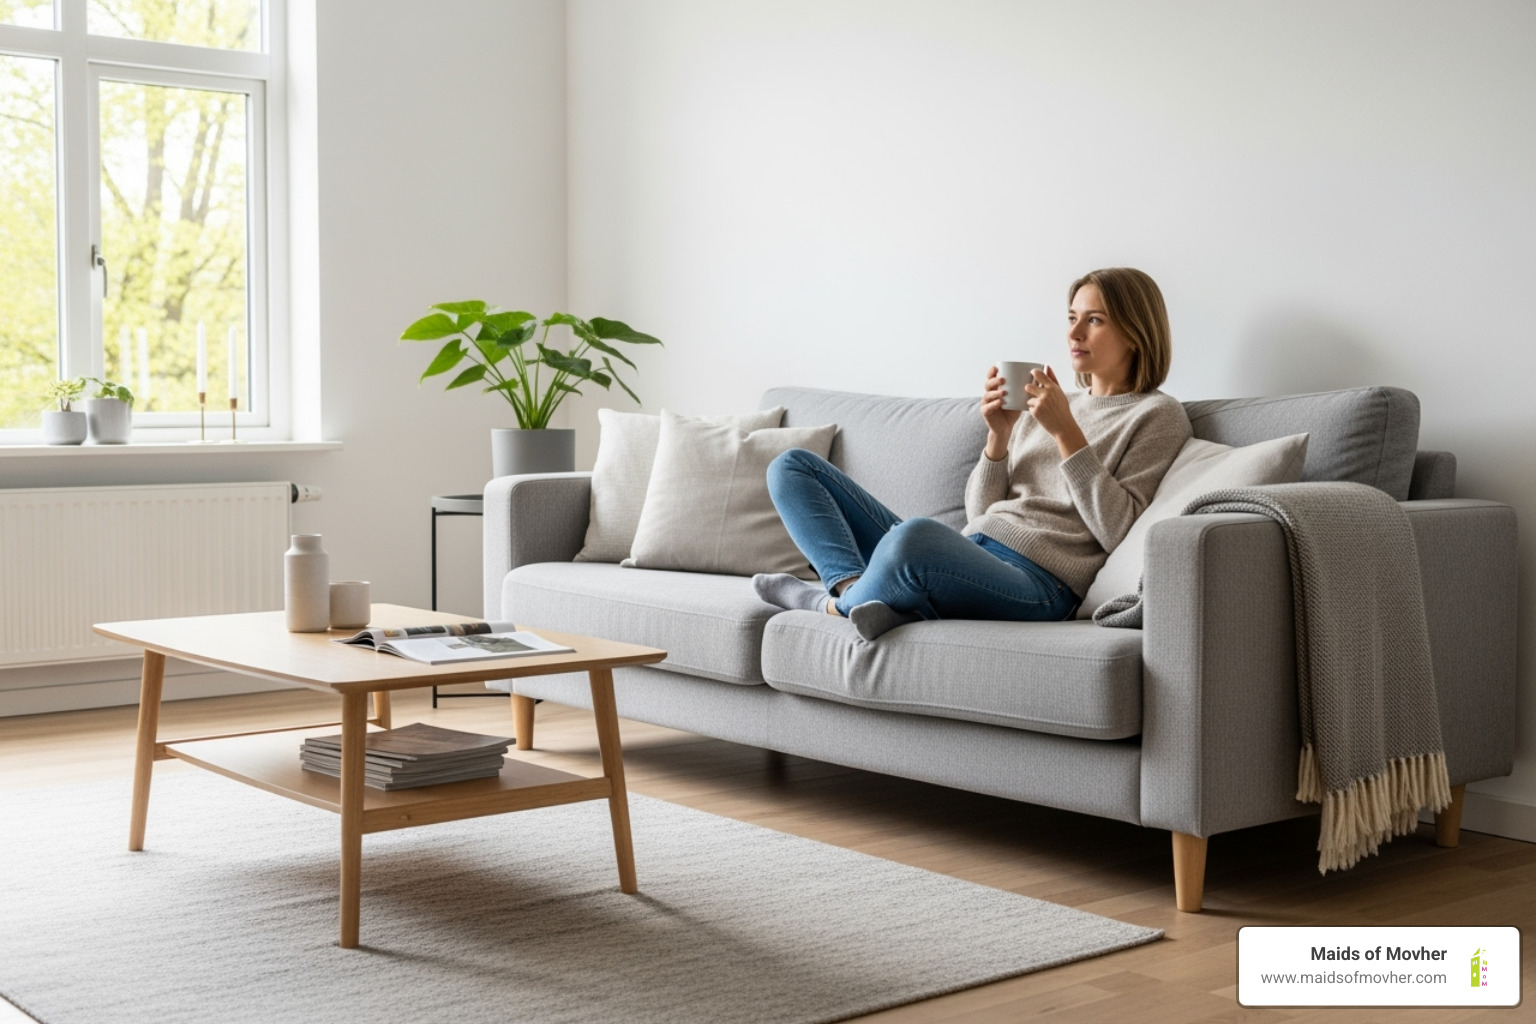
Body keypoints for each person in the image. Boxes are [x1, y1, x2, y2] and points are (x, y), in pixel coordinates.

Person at [752, 267, 1193, 639]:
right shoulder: (1051, 403)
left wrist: (1067, 434)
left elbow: (1119, 531)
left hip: (1041, 583)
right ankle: (856, 591)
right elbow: (981, 512)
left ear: (1135, 333)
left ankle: (827, 603)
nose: (1073, 333)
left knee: (913, 538)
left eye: (1094, 320)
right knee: (792, 467)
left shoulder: (1157, 415)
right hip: (973, 550)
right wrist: (998, 438)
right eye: (1072, 317)